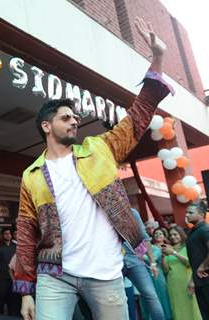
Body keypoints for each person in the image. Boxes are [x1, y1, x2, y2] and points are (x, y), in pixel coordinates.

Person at [13, 17, 173, 320]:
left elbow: (137, 118)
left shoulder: (99, 148)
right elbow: (25, 233)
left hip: (106, 271)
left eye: (75, 117)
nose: (74, 121)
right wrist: (25, 292)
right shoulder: (31, 175)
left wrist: (159, 58)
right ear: (46, 126)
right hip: (55, 275)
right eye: (65, 118)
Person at [123, 209, 165, 320]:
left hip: (133, 259)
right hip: (113, 261)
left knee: (151, 296)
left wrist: (153, 263)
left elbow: (144, 237)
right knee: (115, 300)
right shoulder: (99, 211)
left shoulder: (131, 212)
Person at [161, 226, 201, 320]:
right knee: (177, 307)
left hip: (187, 280)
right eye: (171, 235)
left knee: (192, 306)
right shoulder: (169, 249)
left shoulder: (188, 246)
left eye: (175, 234)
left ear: (181, 234)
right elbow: (166, 270)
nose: (173, 237)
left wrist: (174, 253)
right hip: (173, 283)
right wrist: (163, 257)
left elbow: (189, 263)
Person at [185, 201, 209, 320]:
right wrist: (193, 279)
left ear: (201, 214)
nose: (187, 215)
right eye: (186, 212)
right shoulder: (194, 232)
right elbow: (195, 259)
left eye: (190, 212)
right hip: (200, 281)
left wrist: (203, 266)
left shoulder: (204, 230)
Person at [147, 227, 173, 319]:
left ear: (164, 236)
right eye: (156, 234)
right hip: (154, 274)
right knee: (155, 297)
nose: (158, 235)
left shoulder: (168, 247)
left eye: (160, 233)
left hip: (167, 274)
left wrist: (142, 257)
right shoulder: (150, 247)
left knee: (165, 297)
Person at [0, 227, 18, 316]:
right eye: (5, 234)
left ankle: (12, 316)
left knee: (13, 300)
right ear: (2, 235)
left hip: (13, 278)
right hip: (1, 278)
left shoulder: (15, 246)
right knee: (0, 299)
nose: (7, 235)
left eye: (9, 233)